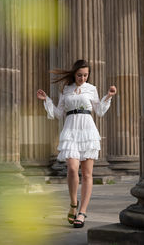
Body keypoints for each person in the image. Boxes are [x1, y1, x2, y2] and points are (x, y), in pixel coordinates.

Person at [37, 59, 117, 228]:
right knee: (72, 168)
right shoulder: (66, 89)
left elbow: (100, 111)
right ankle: (73, 204)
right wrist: (47, 100)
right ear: (74, 74)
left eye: (85, 75)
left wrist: (108, 96)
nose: (82, 78)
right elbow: (59, 113)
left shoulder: (92, 89)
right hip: (70, 130)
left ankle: (82, 212)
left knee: (87, 174)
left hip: (88, 130)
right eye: (80, 75)